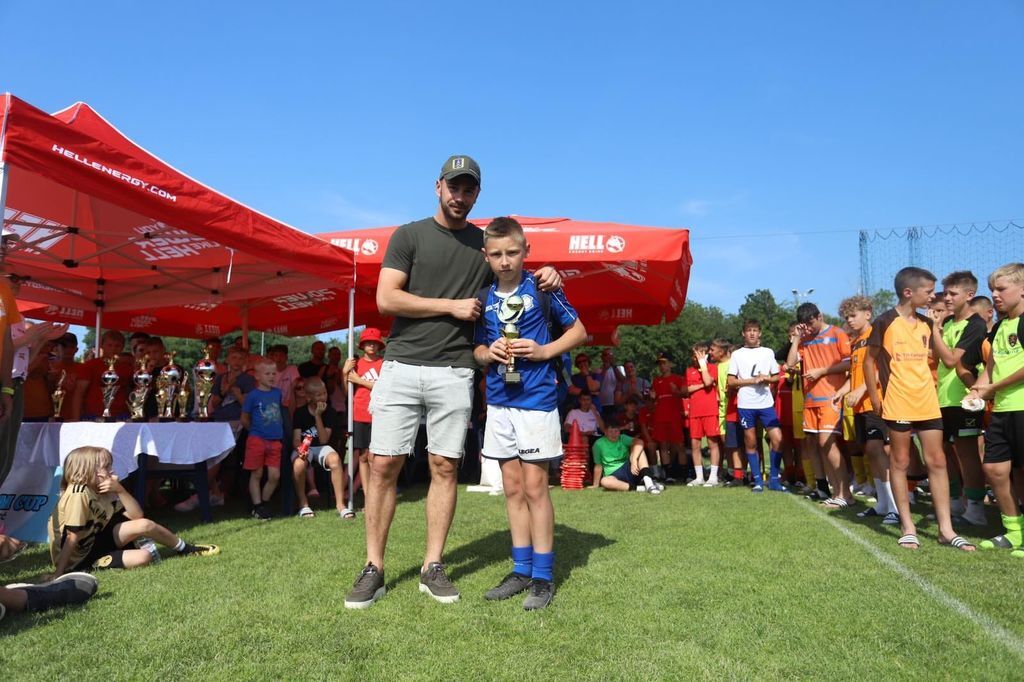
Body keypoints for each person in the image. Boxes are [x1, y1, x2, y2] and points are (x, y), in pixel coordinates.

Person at [343, 155, 562, 609]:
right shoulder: (409, 235)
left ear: (477, 194)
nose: (460, 196)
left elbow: (516, 275)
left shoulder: (486, 245)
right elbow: (386, 299)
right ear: (438, 187)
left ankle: (433, 566)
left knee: (444, 467)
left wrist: (550, 274)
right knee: (382, 465)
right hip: (402, 363)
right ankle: (373, 567)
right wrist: (450, 306)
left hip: (457, 369)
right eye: (453, 187)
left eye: (468, 189)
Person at [473, 216, 587, 610]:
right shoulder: (484, 296)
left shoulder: (542, 287)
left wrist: (542, 352)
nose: (505, 261)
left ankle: (543, 576)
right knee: (512, 488)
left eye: (512, 252)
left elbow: (579, 332)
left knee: (536, 488)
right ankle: (520, 570)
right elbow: (477, 348)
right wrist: (488, 353)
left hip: (536, 401)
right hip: (498, 402)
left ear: (526, 252)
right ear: (486, 256)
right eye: (497, 254)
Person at [863, 267, 975, 551]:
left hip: (927, 401)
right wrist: (875, 397)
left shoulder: (927, 323)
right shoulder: (885, 321)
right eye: (929, 291)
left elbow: (945, 360)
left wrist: (936, 328)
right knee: (900, 461)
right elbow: (868, 361)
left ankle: (946, 530)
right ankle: (908, 527)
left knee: (937, 461)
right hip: (898, 400)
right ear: (908, 292)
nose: (934, 297)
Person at [49, 446, 219, 577]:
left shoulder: (100, 490)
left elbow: (137, 516)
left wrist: (120, 490)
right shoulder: (79, 493)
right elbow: (72, 536)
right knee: (144, 557)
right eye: (106, 467)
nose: (111, 471)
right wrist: (59, 573)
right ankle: (89, 566)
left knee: (144, 524)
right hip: (80, 558)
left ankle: (186, 548)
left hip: (96, 540)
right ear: (87, 470)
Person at [966, 263, 1024, 556]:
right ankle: (1014, 532)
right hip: (1001, 409)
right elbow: (990, 368)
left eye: (1001, 289)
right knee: (995, 469)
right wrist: (977, 390)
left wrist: (994, 387)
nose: (995, 295)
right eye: (992, 289)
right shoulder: (1000, 327)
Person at [930, 271, 989, 526]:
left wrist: (934, 329)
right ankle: (954, 503)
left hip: (964, 399)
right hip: (941, 398)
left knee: (967, 454)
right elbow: (936, 358)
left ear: (969, 294)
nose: (947, 298)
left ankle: (976, 510)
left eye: (953, 293)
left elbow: (951, 360)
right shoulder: (949, 322)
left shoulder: (975, 324)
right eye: (945, 293)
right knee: (942, 452)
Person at [834, 296, 899, 523]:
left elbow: (881, 369)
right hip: (860, 406)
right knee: (870, 451)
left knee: (877, 449)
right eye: (847, 317)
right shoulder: (856, 342)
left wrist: (862, 390)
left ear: (868, 313)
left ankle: (894, 506)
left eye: (853, 315)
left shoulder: (877, 335)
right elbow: (855, 374)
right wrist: (843, 390)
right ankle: (882, 504)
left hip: (876, 402)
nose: (850, 321)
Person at [787, 303, 852, 506]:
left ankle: (846, 494)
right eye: (804, 325)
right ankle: (835, 493)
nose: (808, 327)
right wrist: (796, 338)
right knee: (820, 447)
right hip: (810, 401)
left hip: (830, 399)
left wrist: (822, 371)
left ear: (820, 316)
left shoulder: (837, 333)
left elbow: (849, 362)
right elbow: (790, 364)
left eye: (811, 323)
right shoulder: (804, 339)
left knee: (827, 443)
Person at [728, 320, 783, 493]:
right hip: (746, 403)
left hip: (766, 403)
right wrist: (752, 381)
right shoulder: (737, 354)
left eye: (755, 330)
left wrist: (767, 378)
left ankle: (774, 480)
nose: (752, 333)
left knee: (777, 439)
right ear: (743, 333)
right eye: (748, 330)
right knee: (750, 442)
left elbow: (776, 377)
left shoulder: (768, 352)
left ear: (760, 333)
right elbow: (731, 381)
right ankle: (758, 480)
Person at [290, 377, 347, 518]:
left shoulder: (330, 412)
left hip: (322, 447)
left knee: (335, 460)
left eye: (325, 393)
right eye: (319, 394)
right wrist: (301, 449)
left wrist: (317, 416)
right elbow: (296, 439)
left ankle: (340, 504)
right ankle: (303, 504)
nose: (323, 397)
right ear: (309, 397)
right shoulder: (299, 412)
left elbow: (323, 440)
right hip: (305, 447)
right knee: (298, 464)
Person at [343, 327, 385, 501]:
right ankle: (368, 496)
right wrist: (344, 372)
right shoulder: (356, 363)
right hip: (359, 413)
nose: (371, 345)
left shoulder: (384, 364)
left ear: (379, 345)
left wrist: (359, 380)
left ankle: (375, 493)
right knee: (362, 456)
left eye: (375, 343)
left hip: (378, 413)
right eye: (368, 342)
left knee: (374, 457)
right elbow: (347, 391)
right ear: (362, 345)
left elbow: (383, 388)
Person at [241, 358, 284, 520]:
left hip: (275, 440)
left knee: (274, 476)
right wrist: (254, 431)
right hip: (257, 439)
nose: (272, 376)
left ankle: (262, 503)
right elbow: (244, 418)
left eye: (274, 373)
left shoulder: (277, 393)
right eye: (267, 374)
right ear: (257, 376)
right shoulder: (253, 395)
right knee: (257, 473)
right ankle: (258, 505)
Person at [69, 330, 133, 421]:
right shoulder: (90, 365)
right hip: (93, 415)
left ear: (122, 347)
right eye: (109, 345)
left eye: (117, 346)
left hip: (121, 416)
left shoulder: (127, 368)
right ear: (102, 345)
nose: (113, 349)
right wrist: (75, 419)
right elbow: (79, 392)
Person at [592, 416, 662, 494]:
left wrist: (634, 460)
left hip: (630, 468)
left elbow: (639, 442)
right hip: (613, 474)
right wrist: (595, 484)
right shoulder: (598, 444)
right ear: (605, 432)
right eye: (611, 431)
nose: (614, 434)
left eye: (616, 431)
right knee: (604, 481)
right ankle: (641, 488)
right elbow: (598, 465)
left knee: (639, 449)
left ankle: (649, 482)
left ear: (619, 431)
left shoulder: (623, 438)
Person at [685, 342, 722, 487]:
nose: (695, 358)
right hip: (695, 412)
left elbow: (708, 381)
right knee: (695, 445)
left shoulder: (712, 368)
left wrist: (703, 365)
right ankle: (699, 477)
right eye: (694, 355)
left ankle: (713, 477)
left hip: (710, 411)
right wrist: (700, 386)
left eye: (698, 355)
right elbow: (687, 389)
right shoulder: (689, 370)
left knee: (713, 443)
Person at [650, 351, 686, 481]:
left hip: (674, 415)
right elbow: (654, 398)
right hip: (660, 415)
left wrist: (676, 391)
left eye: (664, 363)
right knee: (663, 445)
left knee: (679, 444)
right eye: (660, 364)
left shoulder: (678, 379)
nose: (662, 366)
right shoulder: (656, 380)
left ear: (670, 364)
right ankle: (668, 474)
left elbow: (685, 394)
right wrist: (653, 397)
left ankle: (683, 474)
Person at [209, 347, 257, 422]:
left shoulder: (248, 379)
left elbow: (248, 406)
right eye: (234, 358)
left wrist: (238, 395)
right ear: (227, 360)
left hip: (237, 420)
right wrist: (224, 391)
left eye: (240, 358)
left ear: (244, 361)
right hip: (219, 418)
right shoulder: (220, 378)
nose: (237, 361)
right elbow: (214, 404)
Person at [597, 349, 623, 421]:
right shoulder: (598, 370)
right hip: (602, 403)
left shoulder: (618, 369)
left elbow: (622, 380)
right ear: (602, 357)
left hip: (615, 403)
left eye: (610, 355)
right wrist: (605, 368)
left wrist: (613, 366)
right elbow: (599, 383)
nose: (608, 357)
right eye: (606, 355)